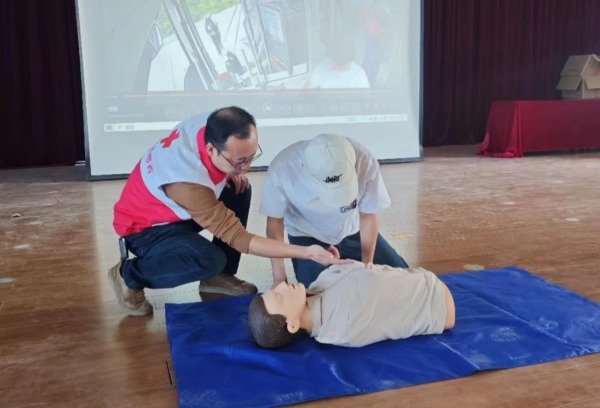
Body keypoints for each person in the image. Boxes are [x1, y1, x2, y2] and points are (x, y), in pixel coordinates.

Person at [108, 107, 347, 316]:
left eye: (251, 157)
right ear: (212, 150)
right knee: (208, 259)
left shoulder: (211, 125)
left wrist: (233, 171)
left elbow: (229, 168)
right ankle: (129, 275)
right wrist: (307, 252)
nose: (248, 166)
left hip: (173, 209)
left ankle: (218, 277)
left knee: (239, 189)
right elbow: (242, 240)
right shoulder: (187, 183)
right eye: (239, 161)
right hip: (146, 230)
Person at [260, 133, 409, 288]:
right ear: (306, 168)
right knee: (320, 292)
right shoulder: (284, 167)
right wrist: (279, 278)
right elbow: (275, 224)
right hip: (307, 236)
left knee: (402, 278)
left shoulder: (364, 159)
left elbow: (368, 214)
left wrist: (367, 266)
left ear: (353, 163)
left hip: (354, 230)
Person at [248, 262, 456, 349]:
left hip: (424, 282)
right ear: (292, 325)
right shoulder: (343, 322)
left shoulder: (315, 290)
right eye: (280, 297)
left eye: (276, 290)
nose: (282, 285)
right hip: (437, 301)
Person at [304, 31, 370, 89]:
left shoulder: (358, 75)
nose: (336, 67)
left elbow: (365, 101)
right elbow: (307, 91)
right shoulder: (323, 66)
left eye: (342, 64)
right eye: (334, 60)